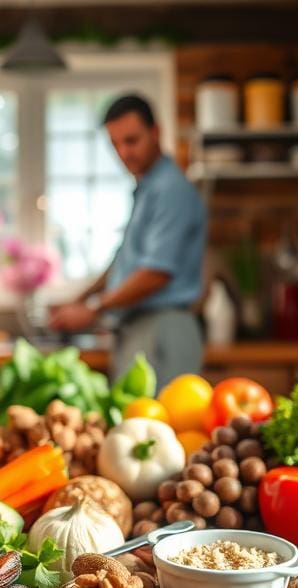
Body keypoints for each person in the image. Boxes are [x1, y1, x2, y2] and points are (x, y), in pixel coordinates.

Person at [49, 93, 206, 388]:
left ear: (156, 133)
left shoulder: (171, 191)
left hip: (164, 328)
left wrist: (93, 309)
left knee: (159, 428)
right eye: (115, 144)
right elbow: (125, 262)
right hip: (138, 328)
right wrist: (79, 299)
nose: (123, 152)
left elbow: (155, 273)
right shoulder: (148, 190)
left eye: (131, 141)